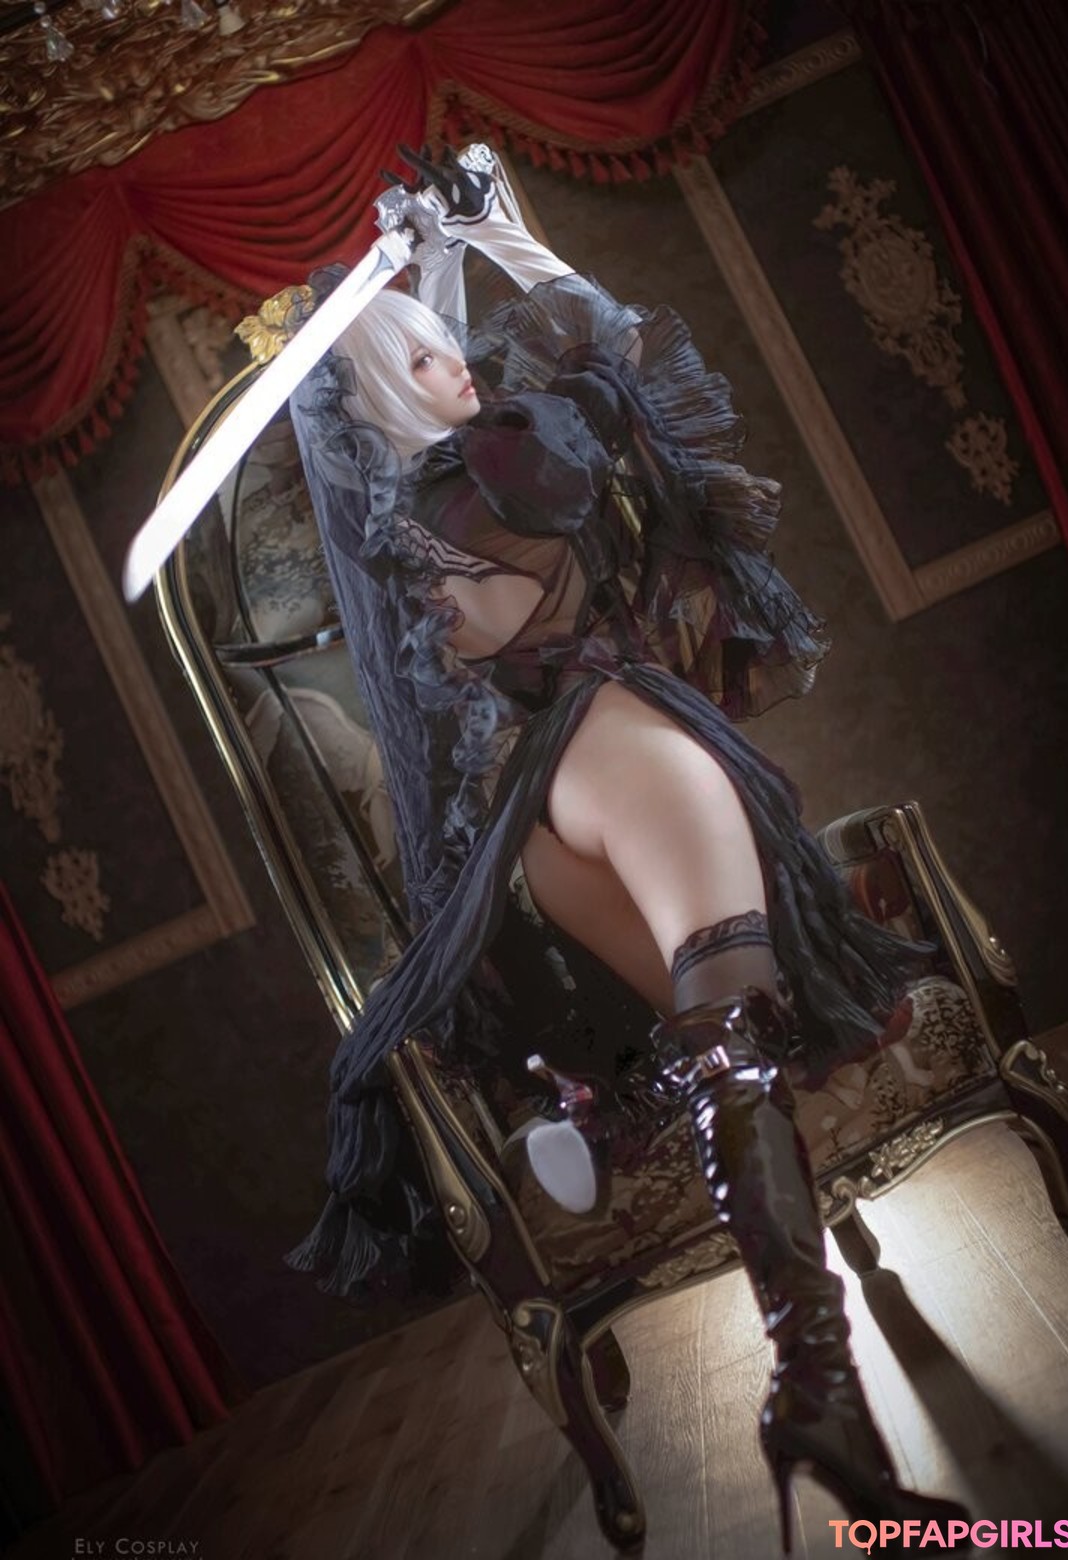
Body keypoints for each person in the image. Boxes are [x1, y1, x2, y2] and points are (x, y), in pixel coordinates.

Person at [285, 145, 967, 1539]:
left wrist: (439, 261)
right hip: (613, 756)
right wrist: (500, 236)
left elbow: (495, 394)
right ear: (389, 393)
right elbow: (615, 363)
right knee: (744, 1024)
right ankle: (811, 1388)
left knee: (729, 1043)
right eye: (426, 360)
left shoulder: (418, 518)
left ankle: (622, 1125)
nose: (461, 364)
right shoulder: (477, 482)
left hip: (547, 832)